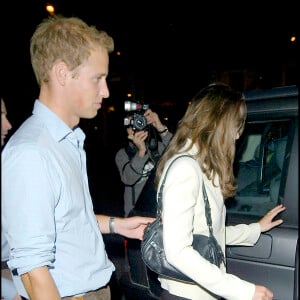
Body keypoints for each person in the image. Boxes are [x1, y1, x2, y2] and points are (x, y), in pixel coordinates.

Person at [1, 15, 154, 300]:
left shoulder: (67, 141)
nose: (105, 91)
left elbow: (66, 220)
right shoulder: (31, 152)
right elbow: (34, 272)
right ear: (62, 73)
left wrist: (116, 225)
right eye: (97, 78)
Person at [153, 83, 286, 300]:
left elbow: (207, 233)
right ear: (217, 124)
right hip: (187, 294)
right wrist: (244, 291)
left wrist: (255, 228)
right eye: (236, 125)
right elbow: (177, 251)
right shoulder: (186, 168)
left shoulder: (201, 166)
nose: (237, 135)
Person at [115, 108, 173, 216]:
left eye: (138, 123)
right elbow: (128, 179)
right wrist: (141, 152)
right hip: (137, 213)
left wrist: (160, 127)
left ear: (146, 125)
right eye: (130, 125)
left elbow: (179, 152)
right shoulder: (123, 154)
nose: (134, 128)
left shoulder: (157, 147)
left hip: (162, 211)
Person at [1, 98, 21, 300]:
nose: (8, 125)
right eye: (0, 115)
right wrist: (9, 291)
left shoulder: (7, 163)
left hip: (17, 269)